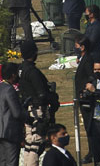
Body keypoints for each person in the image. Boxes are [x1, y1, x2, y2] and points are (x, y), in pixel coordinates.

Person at [20, 38, 57, 166]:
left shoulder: (21, 70)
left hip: (28, 110)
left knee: (29, 143)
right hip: (37, 110)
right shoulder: (32, 72)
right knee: (36, 144)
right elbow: (42, 93)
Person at [0, 62, 24, 166]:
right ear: (13, 75)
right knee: (11, 162)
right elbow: (16, 113)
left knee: (3, 161)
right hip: (9, 131)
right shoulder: (9, 89)